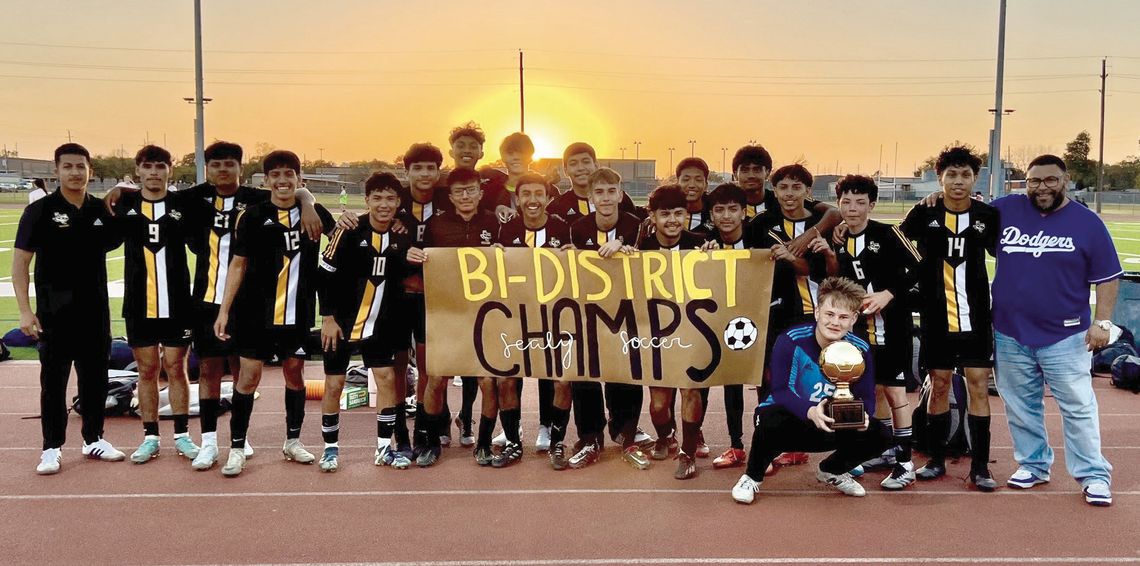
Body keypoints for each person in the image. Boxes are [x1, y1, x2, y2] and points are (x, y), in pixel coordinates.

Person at [991, 154, 1120, 506]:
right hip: (1009, 330)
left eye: (1050, 180)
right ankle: (1033, 465)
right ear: (1025, 183)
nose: (1042, 187)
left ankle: (1093, 474)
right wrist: (933, 198)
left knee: (1077, 405)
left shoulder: (1087, 223)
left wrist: (1103, 321)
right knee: (1020, 404)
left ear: (1065, 181)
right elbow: (962, 209)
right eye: (1034, 181)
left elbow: (1108, 277)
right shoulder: (1005, 210)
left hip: (1065, 334)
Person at [213, 150, 335, 477]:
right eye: (276, 175)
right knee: (248, 378)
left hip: (297, 314)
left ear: (299, 179)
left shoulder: (315, 213)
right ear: (266, 180)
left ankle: (292, 441)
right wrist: (224, 310)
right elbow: (238, 264)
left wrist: (309, 204)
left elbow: (341, 244)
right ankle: (237, 447)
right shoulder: (252, 216)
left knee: (295, 375)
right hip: (255, 315)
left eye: (289, 174)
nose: (283, 181)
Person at [14, 143, 126, 474]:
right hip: (53, 315)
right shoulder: (40, 210)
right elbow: (20, 264)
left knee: (95, 380)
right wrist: (25, 310)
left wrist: (121, 189)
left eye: (81, 166)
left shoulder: (101, 210)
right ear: (57, 171)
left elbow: (135, 205)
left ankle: (94, 438)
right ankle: (51, 447)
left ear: (90, 171)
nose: (75, 172)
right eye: (68, 166)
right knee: (54, 383)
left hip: (94, 313)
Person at [732, 277, 887, 504]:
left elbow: (866, 396)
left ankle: (832, 470)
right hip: (793, 419)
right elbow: (780, 390)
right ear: (817, 313)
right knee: (768, 419)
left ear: (854, 318)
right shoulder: (790, 340)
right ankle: (752, 476)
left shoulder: (859, 349)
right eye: (829, 314)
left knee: (880, 434)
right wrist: (811, 411)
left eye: (844, 317)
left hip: (831, 423)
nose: (835, 322)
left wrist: (864, 415)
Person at [899, 145, 999, 491]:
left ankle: (982, 467)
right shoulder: (922, 213)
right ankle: (936, 460)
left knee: (977, 388)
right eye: (951, 175)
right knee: (939, 385)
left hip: (976, 321)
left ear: (975, 178)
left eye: (966, 174)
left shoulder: (989, 216)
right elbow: (897, 248)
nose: (958, 181)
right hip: (936, 320)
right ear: (939, 178)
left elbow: (1009, 255)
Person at [317, 172, 413, 472]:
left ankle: (384, 448)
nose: (384, 205)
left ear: (398, 202)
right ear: (367, 199)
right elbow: (324, 275)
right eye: (377, 198)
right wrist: (328, 318)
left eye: (390, 199)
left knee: (386, 380)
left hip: (380, 324)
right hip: (342, 323)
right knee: (334, 385)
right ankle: (330, 449)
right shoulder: (348, 230)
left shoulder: (401, 235)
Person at [832, 175, 922, 490]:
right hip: (856, 334)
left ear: (872, 204)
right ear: (838, 202)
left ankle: (905, 463)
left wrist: (889, 293)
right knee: (865, 392)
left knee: (896, 393)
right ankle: (881, 450)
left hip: (891, 329)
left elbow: (919, 268)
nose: (852, 208)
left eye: (860, 202)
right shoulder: (838, 238)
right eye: (846, 201)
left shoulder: (888, 233)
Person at [406, 167, 500, 467]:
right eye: (459, 191)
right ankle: (432, 442)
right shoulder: (436, 224)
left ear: (480, 192)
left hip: (485, 314)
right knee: (437, 378)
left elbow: (517, 258)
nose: (465, 196)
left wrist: (503, 252)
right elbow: (418, 262)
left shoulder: (494, 222)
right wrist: (412, 256)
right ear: (451, 195)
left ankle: (483, 443)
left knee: (487, 380)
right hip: (446, 313)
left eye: (471, 189)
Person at [113, 145, 199, 464]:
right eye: (147, 166)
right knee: (147, 370)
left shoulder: (181, 204)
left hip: (178, 305)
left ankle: (182, 436)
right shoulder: (125, 203)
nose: (153, 172)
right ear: (138, 171)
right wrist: (116, 188)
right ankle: (150, 437)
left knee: (176, 369)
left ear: (169, 171)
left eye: (160, 166)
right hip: (139, 305)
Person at [749, 163, 838, 471]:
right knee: (771, 378)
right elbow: (747, 260)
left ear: (807, 192)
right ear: (775, 191)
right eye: (783, 187)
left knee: (820, 378)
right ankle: (769, 443)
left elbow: (824, 270)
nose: (789, 194)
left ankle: (819, 443)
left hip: (817, 316)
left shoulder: (819, 223)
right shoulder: (762, 222)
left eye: (796, 187)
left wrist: (794, 258)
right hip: (777, 314)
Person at [568, 167, 651, 469]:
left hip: (627, 312)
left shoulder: (637, 225)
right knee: (585, 373)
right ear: (590, 197)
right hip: (588, 312)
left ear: (620, 193)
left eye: (610, 191)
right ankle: (590, 437)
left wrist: (629, 252)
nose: (605, 197)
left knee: (627, 371)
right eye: (598, 192)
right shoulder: (577, 227)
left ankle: (625, 432)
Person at [496, 172, 575, 467]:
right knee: (506, 380)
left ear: (548, 198)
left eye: (538, 194)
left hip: (555, 317)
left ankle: (557, 441)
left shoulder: (563, 228)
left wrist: (574, 255)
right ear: (518, 199)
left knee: (562, 380)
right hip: (514, 317)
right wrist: (492, 256)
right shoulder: (505, 230)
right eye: (525, 194)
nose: (532, 200)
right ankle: (514, 442)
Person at [637, 184, 707, 478]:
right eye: (665, 214)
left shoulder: (702, 243)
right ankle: (665, 435)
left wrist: (714, 257)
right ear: (652, 216)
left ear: (687, 215)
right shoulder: (640, 248)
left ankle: (688, 452)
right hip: (655, 332)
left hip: (693, 331)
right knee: (658, 404)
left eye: (679, 213)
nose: (673, 220)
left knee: (691, 390)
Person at [703, 183, 761, 469]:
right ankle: (736, 445)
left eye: (732, 209)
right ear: (711, 214)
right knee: (732, 382)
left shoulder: (760, 237)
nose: (726, 216)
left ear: (743, 212)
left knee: (766, 383)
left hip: (761, 320)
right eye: (719, 210)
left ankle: (766, 446)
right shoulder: (705, 242)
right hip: (722, 323)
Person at [547, 142, 643, 223]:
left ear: (596, 165)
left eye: (586, 162)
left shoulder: (620, 199)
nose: (580, 168)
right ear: (565, 170)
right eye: (573, 164)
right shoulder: (557, 206)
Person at [675, 157, 714, 234]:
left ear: (706, 185)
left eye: (698, 180)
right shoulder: (665, 212)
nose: (692, 185)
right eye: (686, 180)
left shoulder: (715, 212)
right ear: (677, 183)